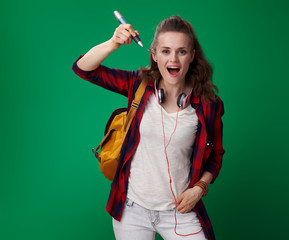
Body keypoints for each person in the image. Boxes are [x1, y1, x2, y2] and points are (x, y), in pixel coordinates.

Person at [72, 15, 225, 240]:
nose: (173, 58)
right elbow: (83, 68)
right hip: (131, 210)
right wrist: (113, 42)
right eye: (165, 51)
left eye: (181, 51)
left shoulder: (208, 104)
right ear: (154, 54)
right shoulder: (139, 86)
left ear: (192, 56)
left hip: (179, 211)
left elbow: (216, 155)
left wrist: (200, 188)